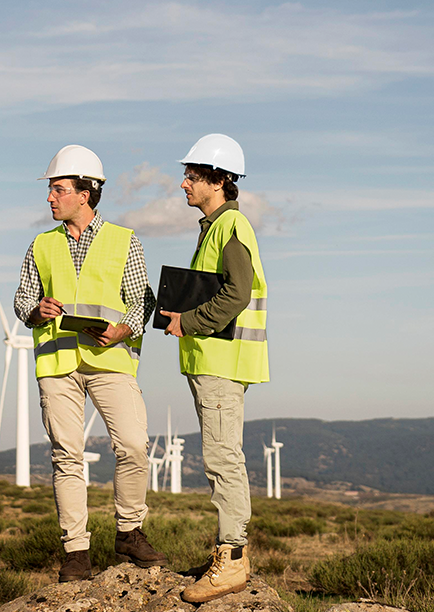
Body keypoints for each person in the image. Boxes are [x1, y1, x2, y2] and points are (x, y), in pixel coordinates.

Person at [14, 144, 164, 583]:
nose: (49, 197)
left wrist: (122, 330)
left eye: (58, 189)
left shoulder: (124, 240)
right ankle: (76, 551)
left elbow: (143, 301)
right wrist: (34, 310)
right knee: (67, 456)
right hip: (57, 363)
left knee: (134, 446)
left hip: (111, 359)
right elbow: (23, 300)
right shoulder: (40, 245)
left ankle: (129, 529)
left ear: (85, 192)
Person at [159, 134, 269, 604]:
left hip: (223, 364)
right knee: (220, 457)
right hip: (210, 363)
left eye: (193, 176)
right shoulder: (213, 228)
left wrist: (189, 321)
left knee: (223, 459)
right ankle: (229, 552)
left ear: (220, 180)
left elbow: (237, 294)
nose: (183, 183)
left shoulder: (230, 229)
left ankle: (233, 560)